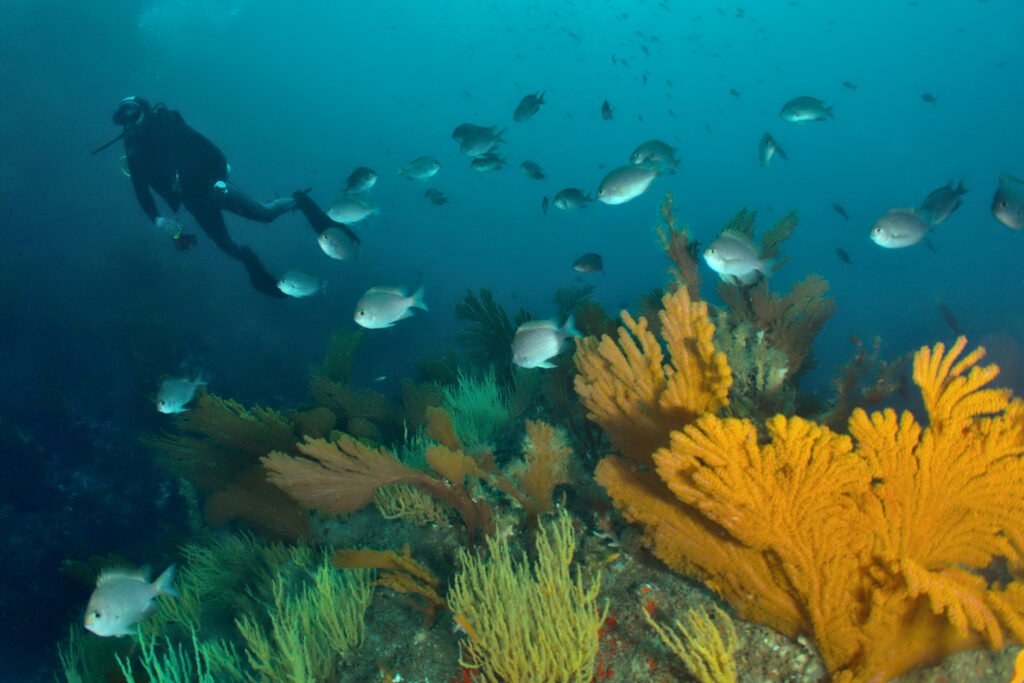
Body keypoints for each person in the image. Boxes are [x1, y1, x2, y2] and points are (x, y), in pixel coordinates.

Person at [104, 96, 358, 297]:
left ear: (145, 111)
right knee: (227, 246)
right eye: (122, 120)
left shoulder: (172, 129)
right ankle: (254, 266)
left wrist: (219, 184)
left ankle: (300, 201)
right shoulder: (134, 150)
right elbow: (140, 189)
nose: (129, 124)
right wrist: (157, 220)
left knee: (264, 214)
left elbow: (216, 155)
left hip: (212, 187)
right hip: (194, 203)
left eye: (133, 115)